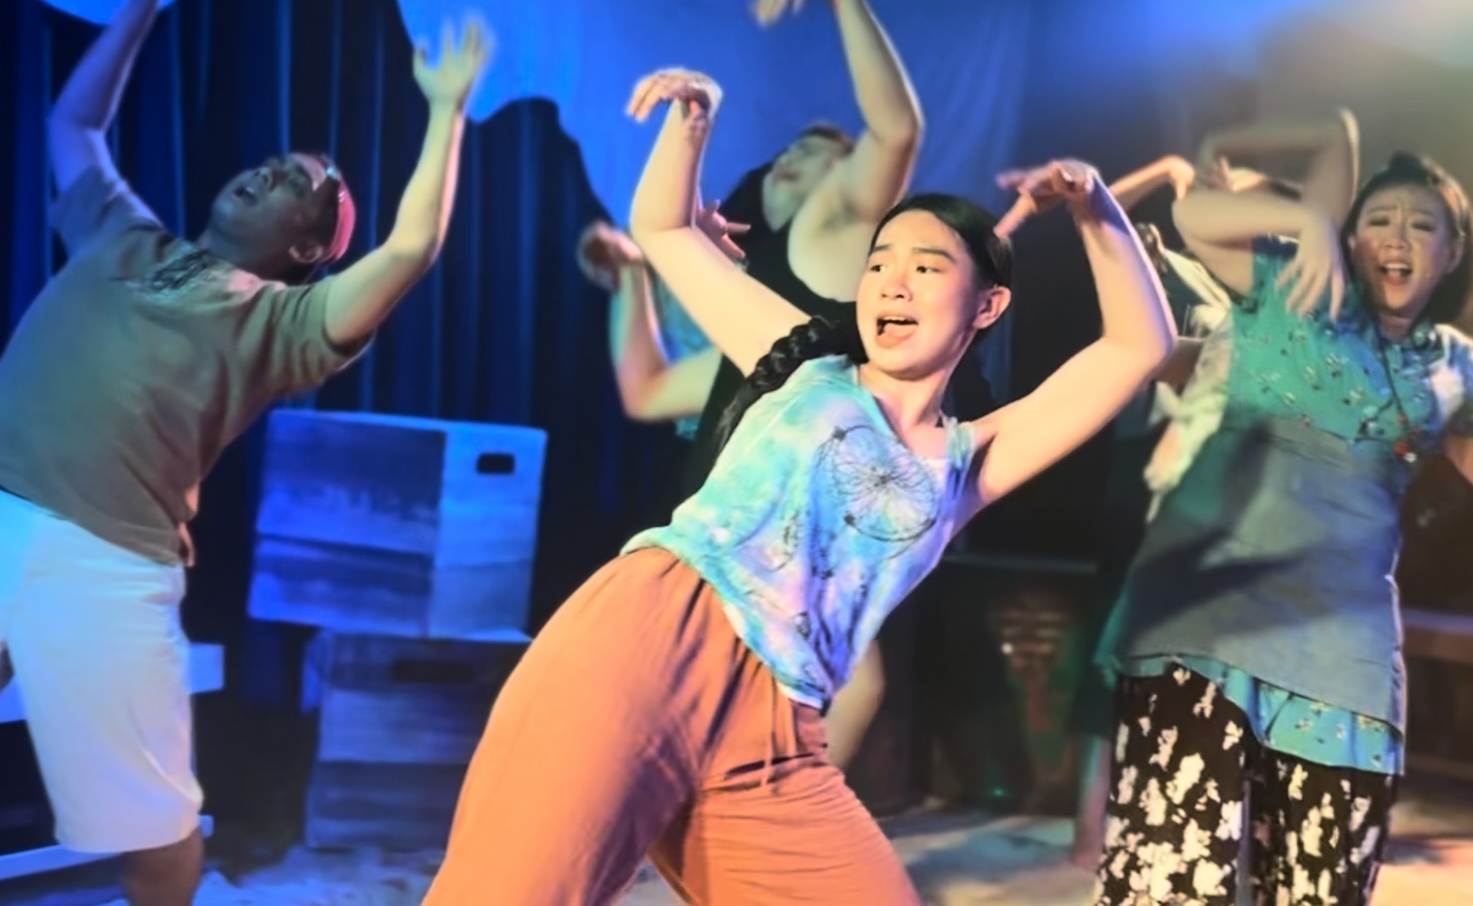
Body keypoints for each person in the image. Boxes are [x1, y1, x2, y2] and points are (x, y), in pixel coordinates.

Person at [422, 67, 1174, 905]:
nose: (892, 281)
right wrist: (694, 119)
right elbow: (665, 229)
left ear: (986, 306)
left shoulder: (972, 459)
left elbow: (1137, 346)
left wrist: (1093, 205)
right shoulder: (805, 361)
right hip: (648, 639)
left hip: (777, 728)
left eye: (926, 266)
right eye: (879, 262)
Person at [0, 0, 491, 906]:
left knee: (149, 832)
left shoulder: (284, 325)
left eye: (295, 184)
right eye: (270, 164)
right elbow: (74, 122)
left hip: (102, 560)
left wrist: (446, 112)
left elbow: (410, 247)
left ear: (306, 248)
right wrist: (141, 1)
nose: (267, 174)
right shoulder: (125, 235)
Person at [1095, 149, 1473, 905]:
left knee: (1324, 890)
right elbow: (1195, 217)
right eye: (1379, 219)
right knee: (1169, 886)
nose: (1398, 236)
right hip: (1203, 629)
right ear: (1350, 238)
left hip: (1342, 657)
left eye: (1423, 225)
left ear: (1452, 253)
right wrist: (1303, 219)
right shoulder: (1297, 286)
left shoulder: (1449, 361)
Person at [574, 0, 923, 769]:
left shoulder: (839, 230)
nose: (792, 158)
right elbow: (647, 390)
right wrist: (633, 281)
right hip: (742, 537)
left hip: (786, 534)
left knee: (832, 693)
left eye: (821, 150)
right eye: (787, 151)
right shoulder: (774, 325)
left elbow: (897, 130)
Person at [1054, 113, 1365, 872]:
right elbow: (1104, 214)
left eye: (1249, 199)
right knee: (1131, 652)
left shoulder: (1293, 295)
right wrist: (1174, 170)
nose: (1230, 202)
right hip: (1165, 483)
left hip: (1257, 505)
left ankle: (1217, 833)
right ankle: (1094, 831)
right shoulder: (1190, 271)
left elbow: (1335, 139)